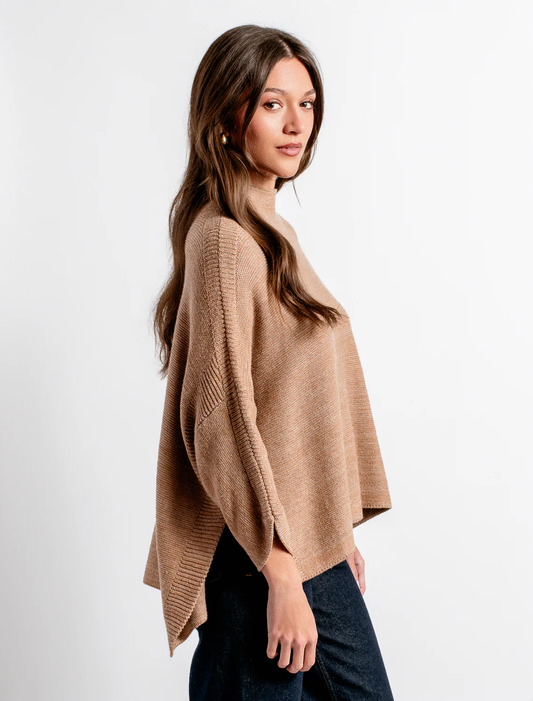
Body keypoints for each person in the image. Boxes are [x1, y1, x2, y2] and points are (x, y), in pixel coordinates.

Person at [143, 24, 395, 700]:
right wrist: (281, 569)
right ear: (228, 118)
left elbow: (290, 408)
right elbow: (221, 420)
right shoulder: (224, 241)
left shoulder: (269, 232)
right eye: (271, 103)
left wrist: (330, 532)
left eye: (306, 103)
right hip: (254, 557)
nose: (295, 123)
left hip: (301, 547)